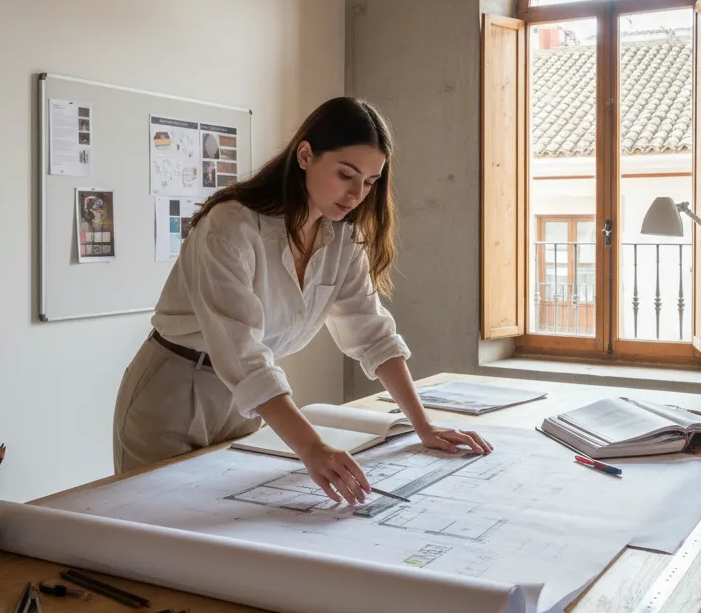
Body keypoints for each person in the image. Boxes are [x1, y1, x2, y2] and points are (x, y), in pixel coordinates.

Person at [113, 97, 490, 503]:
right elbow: (241, 354)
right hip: (174, 388)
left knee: (224, 527)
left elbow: (372, 334)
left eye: (370, 182)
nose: (356, 194)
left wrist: (423, 425)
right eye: (346, 175)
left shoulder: (343, 238)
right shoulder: (232, 226)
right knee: (156, 523)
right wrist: (311, 448)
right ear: (306, 155)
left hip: (246, 402)